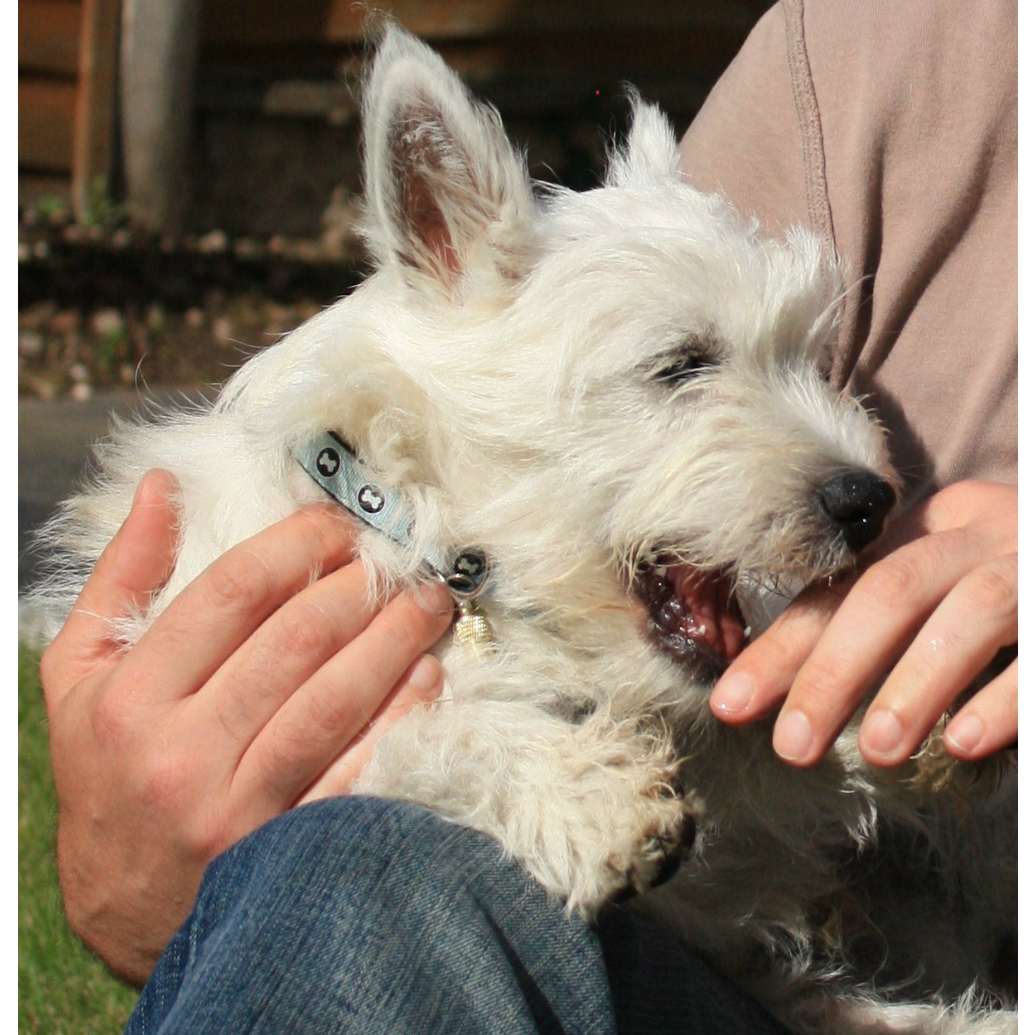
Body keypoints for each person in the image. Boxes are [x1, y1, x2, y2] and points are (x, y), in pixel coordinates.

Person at [38, 1, 1016, 1031]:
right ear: (440, 241)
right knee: (360, 865)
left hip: (758, 965)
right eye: (681, 371)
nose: (847, 456)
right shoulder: (875, 53)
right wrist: (133, 870)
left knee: (363, 867)